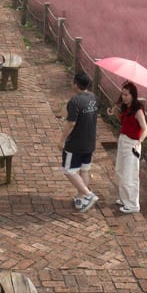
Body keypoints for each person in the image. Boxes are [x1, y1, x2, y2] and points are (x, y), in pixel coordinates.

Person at [107, 82, 147, 214]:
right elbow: (124, 123)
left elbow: (145, 129)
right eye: (122, 94)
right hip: (123, 140)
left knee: (130, 175)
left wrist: (139, 142)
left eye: (126, 95)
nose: (123, 97)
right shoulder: (126, 107)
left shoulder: (138, 110)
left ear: (132, 95)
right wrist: (115, 113)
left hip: (132, 144)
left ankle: (132, 205)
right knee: (120, 170)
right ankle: (124, 198)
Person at [62, 72, 99, 212]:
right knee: (84, 170)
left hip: (76, 143)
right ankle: (81, 198)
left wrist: (61, 140)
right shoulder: (94, 98)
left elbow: (71, 123)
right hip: (90, 142)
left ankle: (89, 195)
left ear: (76, 85)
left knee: (68, 170)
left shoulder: (75, 101)